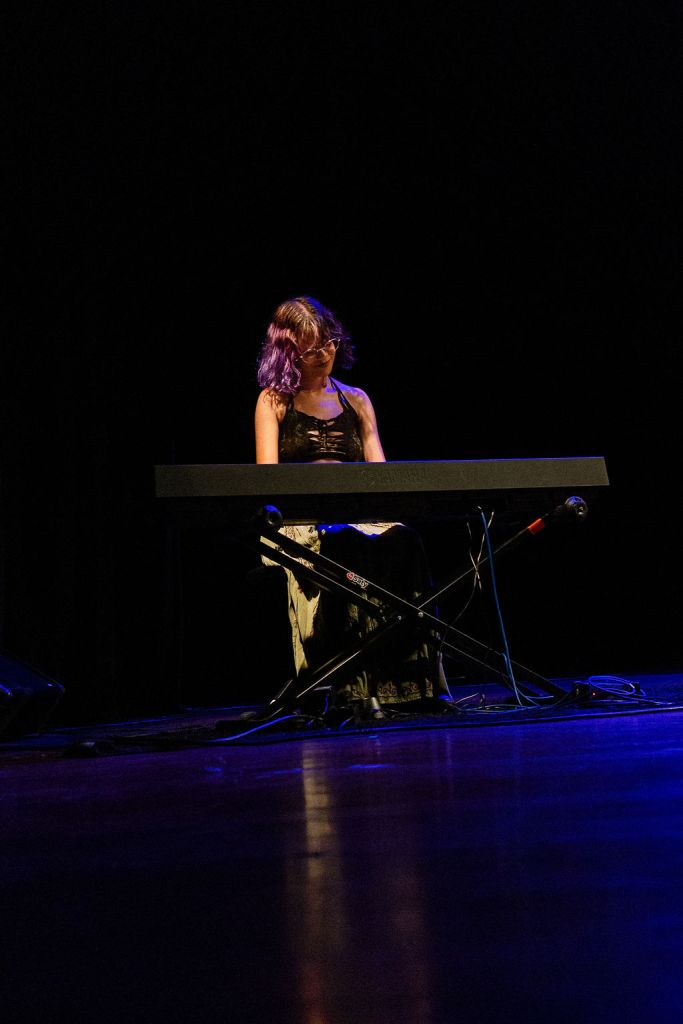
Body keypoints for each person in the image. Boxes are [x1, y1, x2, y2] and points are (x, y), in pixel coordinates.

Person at [254, 295, 451, 720]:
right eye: (312, 348)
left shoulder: (356, 399)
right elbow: (267, 483)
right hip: (301, 522)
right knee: (340, 543)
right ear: (289, 351)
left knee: (405, 540)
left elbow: (379, 476)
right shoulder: (273, 402)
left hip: (358, 515)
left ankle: (416, 685)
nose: (324, 354)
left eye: (330, 343)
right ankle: (351, 689)